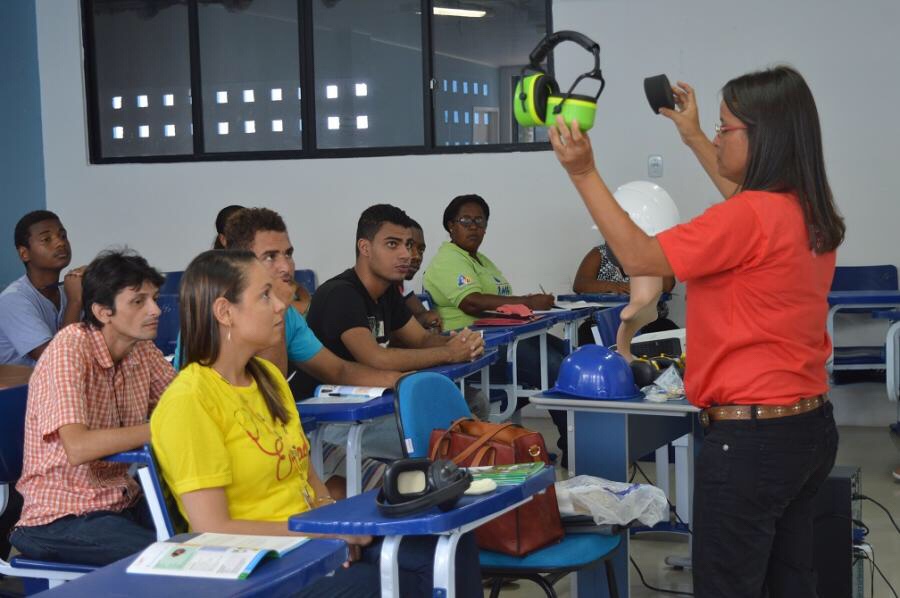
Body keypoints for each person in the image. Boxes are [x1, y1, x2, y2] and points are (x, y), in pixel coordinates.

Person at [549, 65, 843, 598]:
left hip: (752, 444)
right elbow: (746, 196)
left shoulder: (745, 218)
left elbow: (640, 255)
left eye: (725, 128)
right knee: (789, 582)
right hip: (808, 428)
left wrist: (582, 171)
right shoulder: (807, 209)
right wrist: (688, 134)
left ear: (763, 136)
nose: (716, 136)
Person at [151, 249, 482, 597]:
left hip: (303, 540)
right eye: (264, 295)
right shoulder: (191, 400)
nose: (281, 305)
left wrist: (330, 523)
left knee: (447, 542)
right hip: (254, 562)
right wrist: (320, 535)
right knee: (377, 585)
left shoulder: (267, 378)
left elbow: (305, 472)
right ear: (224, 312)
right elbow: (213, 528)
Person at [10, 249, 175, 565]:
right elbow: (79, 447)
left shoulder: (141, 349)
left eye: (154, 298)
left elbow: (184, 406)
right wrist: (161, 428)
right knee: (174, 559)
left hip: (119, 501)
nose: (155, 310)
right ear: (103, 312)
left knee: (207, 537)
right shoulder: (69, 348)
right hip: (60, 517)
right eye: (138, 301)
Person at [298, 204, 487, 460]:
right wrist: (450, 353)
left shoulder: (387, 292)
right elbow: (376, 358)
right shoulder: (340, 293)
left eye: (408, 245)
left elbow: (420, 339)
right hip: (334, 421)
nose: (406, 254)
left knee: (475, 402)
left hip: (378, 402)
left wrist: (460, 342)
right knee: (445, 431)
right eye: (392, 244)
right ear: (365, 248)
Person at [423, 194, 571, 466]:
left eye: (480, 221)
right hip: (479, 349)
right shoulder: (449, 259)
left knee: (567, 357)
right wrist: (528, 301)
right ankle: (573, 446)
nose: (473, 227)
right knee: (555, 367)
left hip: (506, 339)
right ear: (450, 226)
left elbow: (501, 305)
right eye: (465, 220)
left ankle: (564, 440)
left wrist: (529, 306)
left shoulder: (481, 260)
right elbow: (472, 301)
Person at [0, 211, 85, 366]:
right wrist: (75, 302)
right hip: (20, 389)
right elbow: (57, 361)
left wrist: (98, 279)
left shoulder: (70, 289)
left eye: (63, 236)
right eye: (46, 239)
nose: (60, 243)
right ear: (24, 253)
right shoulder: (13, 300)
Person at [572, 242, 679, 343]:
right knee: (586, 335)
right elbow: (579, 284)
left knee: (671, 337)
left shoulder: (651, 252)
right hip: (605, 324)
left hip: (648, 321)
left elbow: (667, 285)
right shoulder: (599, 254)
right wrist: (614, 286)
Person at [402, 218, 442, 331]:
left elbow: (422, 314)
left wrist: (428, 318)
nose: (417, 257)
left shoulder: (400, 285)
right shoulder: (353, 291)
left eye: (421, 250)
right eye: (409, 246)